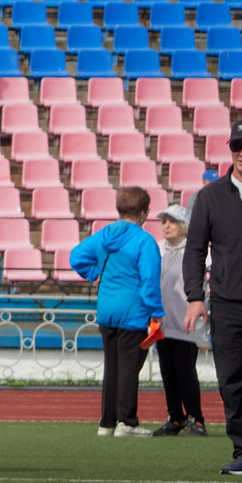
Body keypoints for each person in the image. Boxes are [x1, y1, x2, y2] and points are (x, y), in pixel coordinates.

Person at [181, 122, 242, 475]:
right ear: (230, 150)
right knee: (232, 381)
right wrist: (195, 297)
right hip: (228, 304)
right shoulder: (210, 197)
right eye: (237, 146)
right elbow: (193, 251)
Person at [70, 186, 164, 437]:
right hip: (133, 310)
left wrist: (94, 274)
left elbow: (76, 256)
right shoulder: (144, 240)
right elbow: (149, 278)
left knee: (112, 367)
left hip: (107, 308)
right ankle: (128, 422)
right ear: (144, 212)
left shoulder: (105, 234)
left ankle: (107, 422)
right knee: (129, 368)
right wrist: (156, 311)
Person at [151, 203, 210, 437]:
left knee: (186, 372)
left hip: (186, 321)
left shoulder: (195, 251)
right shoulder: (157, 249)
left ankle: (197, 418)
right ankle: (175, 417)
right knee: (168, 372)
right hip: (163, 323)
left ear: (184, 225)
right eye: (164, 221)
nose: (166, 225)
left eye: (172, 221)